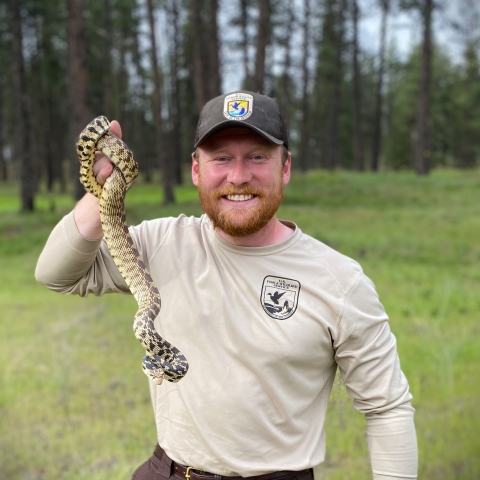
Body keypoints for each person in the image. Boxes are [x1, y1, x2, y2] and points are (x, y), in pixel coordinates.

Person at [36, 90, 418, 480]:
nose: (238, 176)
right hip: (167, 471)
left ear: (284, 168)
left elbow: (387, 408)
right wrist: (104, 185)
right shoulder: (163, 243)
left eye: (257, 156)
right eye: (221, 158)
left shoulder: (339, 281)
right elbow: (56, 274)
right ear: (196, 170)